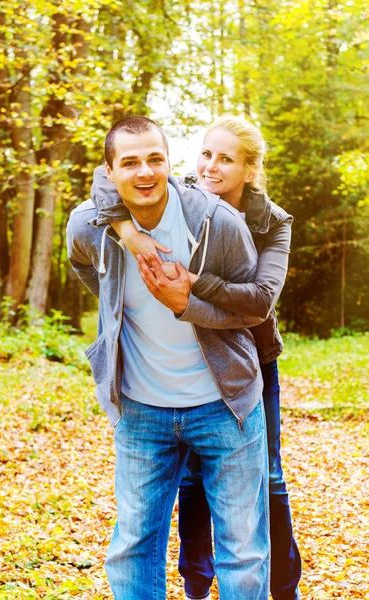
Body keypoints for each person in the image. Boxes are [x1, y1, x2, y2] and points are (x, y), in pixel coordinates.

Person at [91, 115, 302, 600]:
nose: (209, 166)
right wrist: (129, 231)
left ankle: (284, 587)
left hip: (250, 356)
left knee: (266, 476)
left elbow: (259, 299)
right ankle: (196, 583)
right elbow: (106, 180)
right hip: (166, 386)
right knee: (189, 482)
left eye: (225, 158)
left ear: (249, 170)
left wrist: (190, 288)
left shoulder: (271, 221)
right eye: (205, 153)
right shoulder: (174, 194)